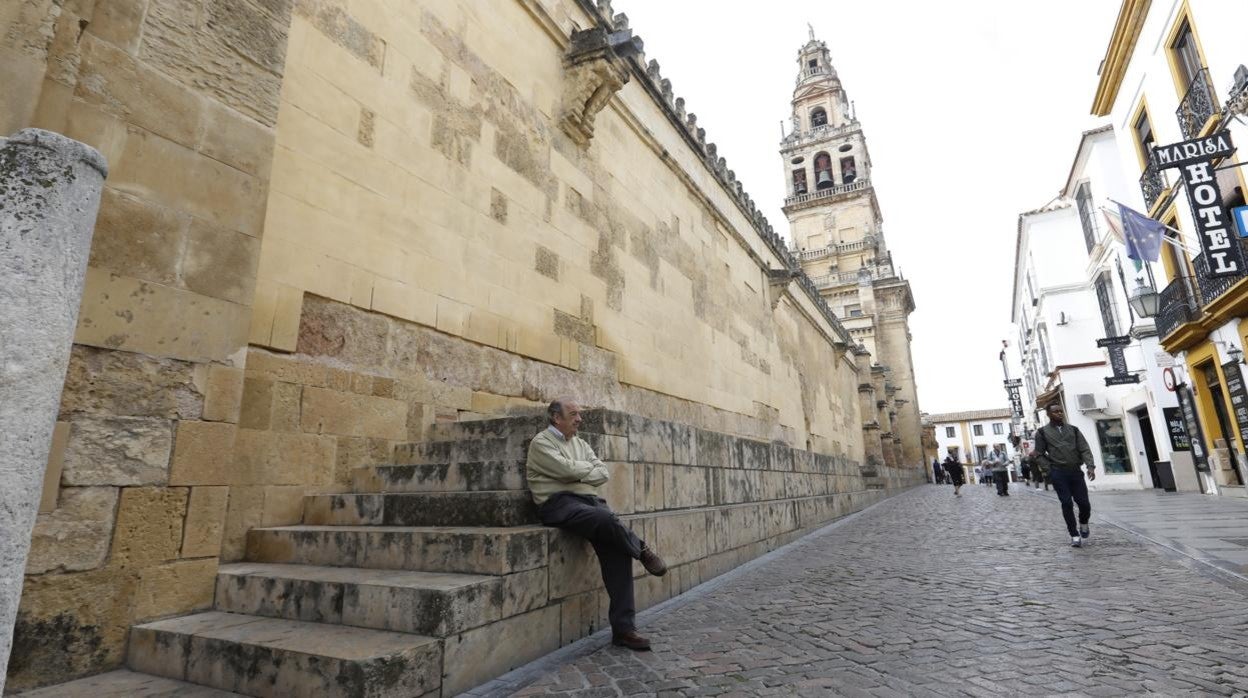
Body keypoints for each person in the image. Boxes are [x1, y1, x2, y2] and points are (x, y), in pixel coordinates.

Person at [526, 398, 668, 650]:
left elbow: (602, 472)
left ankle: (624, 630)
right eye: (573, 414)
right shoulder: (541, 443)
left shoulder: (580, 443)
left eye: (579, 413)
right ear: (556, 418)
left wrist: (576, 471)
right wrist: (581, 472)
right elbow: (565, 471)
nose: (579, 418)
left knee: (618, 550)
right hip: (558, 504)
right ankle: (643, 550)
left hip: (589, 502)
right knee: (605, 518)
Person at [1031, 402, 1097, 547]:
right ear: (1048, 414)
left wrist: (1090, 466)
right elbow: (1039, 454)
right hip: (1058, 473)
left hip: (1075, 472)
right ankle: (1074, 534)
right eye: (1055, 411)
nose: (1059, 413)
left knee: (1084, 504)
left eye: (1061, 411)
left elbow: (1084, 449)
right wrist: (1049, 470)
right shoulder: (1042, 433)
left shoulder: (1074, 430)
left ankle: (1084, 522)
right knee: (1066, 503)